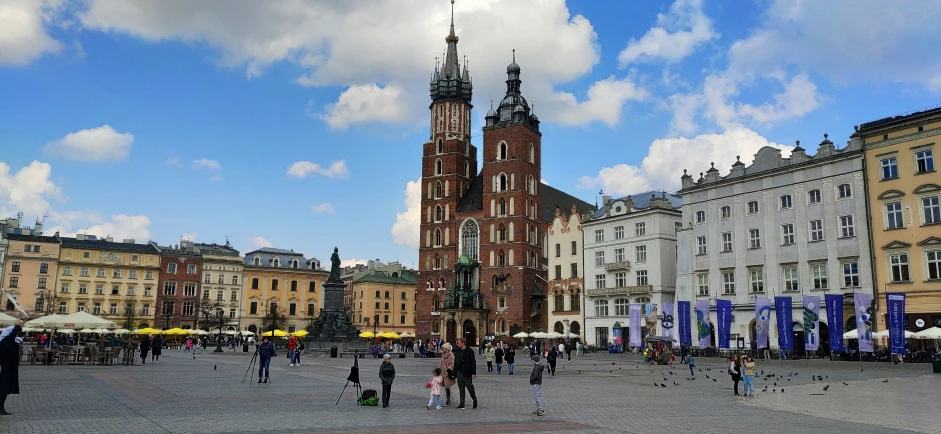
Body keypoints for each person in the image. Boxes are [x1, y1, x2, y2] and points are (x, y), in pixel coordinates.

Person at [0, 320, 24, 415]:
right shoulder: (5, 341)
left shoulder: (8, 342)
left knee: (5, 389)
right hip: (5, 369)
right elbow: (12, 335)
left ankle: (1, 407)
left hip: (9, 369)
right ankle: (1, 407)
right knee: (3, 388)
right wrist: (17, 326)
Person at [453, 338, 477, 409]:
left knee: (470, 387)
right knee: (461, 388)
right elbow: (455, 362)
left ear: (463, 343)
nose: (457, 344)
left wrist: (473, 373)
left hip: (467, 372)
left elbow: (473, 362)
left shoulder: (469, 351)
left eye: (458, 343)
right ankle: (462, 403)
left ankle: (474, 399)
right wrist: (454, 373)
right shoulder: (457, 351)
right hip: (459, 372)